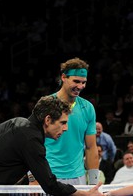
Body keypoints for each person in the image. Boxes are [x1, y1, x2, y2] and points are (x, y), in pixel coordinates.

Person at [0, 96, 103, 195]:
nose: (65, 129)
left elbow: (6, 165)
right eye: (63, 123)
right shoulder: (30, 139)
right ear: (48, 120)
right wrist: (85, 194)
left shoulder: (13, 123)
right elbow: (50, 185)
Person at [42, 57, 99, 185]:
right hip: (48, 174)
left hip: (78, 177)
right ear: (63, 77)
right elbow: (32, 143)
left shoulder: (88, 108)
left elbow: (91, 147)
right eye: (76, 81)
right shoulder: (46, 104)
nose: (80, 86)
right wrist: (32, 177)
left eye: (83, 82)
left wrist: (94, 183)